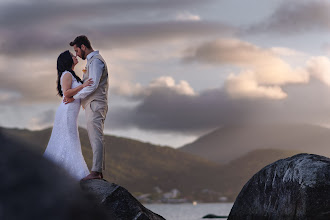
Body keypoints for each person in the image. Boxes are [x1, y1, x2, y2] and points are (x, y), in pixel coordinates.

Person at [64, 35, 109, 180]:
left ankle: (96, 172)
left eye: (77, 50)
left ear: (83, 47)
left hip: (95, 103)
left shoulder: (96, 62)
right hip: (93, 103)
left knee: (96, 136)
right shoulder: (93, 61)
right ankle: (98, 171)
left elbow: (93, 85)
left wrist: (74, 97)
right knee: (94, 136)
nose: (76, 54)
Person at [43, 50, 93, 181]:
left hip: (70, 111)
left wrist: (78, 91)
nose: (75, 56)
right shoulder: (66, 74)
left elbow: (72, 94)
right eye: (72, 55)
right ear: (68, 60)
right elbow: (66, 93)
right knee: (70, 139)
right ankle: (78, 174)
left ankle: (68, 173)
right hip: (66, 113)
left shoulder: (72, 74)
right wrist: (83, 85)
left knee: (71, 139)